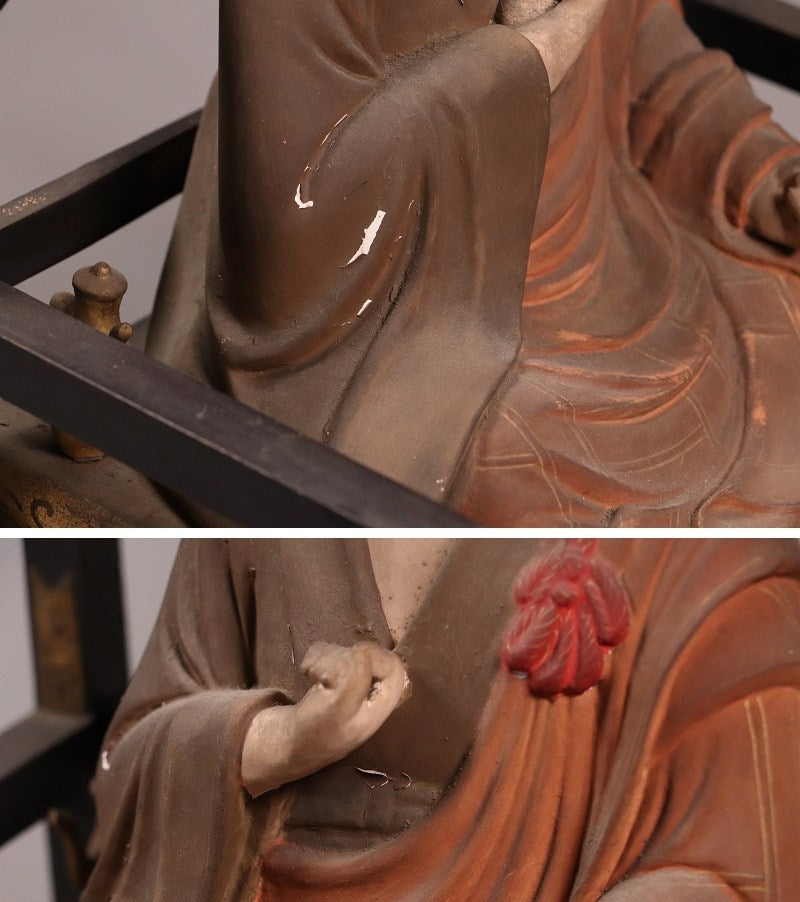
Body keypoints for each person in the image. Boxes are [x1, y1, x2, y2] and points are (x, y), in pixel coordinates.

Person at [0, 536, 798, 902]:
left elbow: (730, 882)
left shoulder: (679, 536)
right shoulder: (258, 470)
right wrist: (275, 741)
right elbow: (126, 759)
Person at [146, 1, 800, 522]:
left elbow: (654, 60)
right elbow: (302, 226)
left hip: (623, 253)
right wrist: (538, 48)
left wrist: (763, 169)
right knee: (518, 486)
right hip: (409, 314)